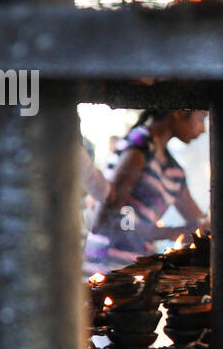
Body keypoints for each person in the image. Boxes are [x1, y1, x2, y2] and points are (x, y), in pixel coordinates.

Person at [85, 108, 210, 275]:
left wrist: (206, 225)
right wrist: (171, 232)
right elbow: (103, 222)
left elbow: (198, 221)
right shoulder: (139, 147)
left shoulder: (172, 170)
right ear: (178, 111)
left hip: (135, 268)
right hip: (107, 270)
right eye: (201, 118)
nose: (203, 129)